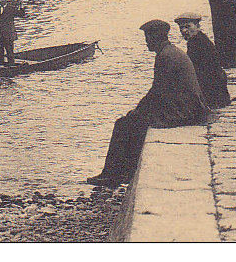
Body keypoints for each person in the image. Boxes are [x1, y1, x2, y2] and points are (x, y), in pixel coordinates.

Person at [87, 20, 210, 188]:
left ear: (155, 38)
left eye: (148, 37)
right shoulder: (170, 52)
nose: (146, 41)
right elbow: (160, 92)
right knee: (134, 121)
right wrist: (140, 110)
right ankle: (125, 172)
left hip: (184, 112)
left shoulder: (166, 56)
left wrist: (138, 111)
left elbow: (158, 92)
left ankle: (111, 175)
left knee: (124, 124)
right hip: (187, 108)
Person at [175, 12, 230, 109]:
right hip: (216, 88)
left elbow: (195, 71)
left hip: (211, 90)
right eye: (181, 28)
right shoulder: (200, 39)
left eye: (188, 26)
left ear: (197, 26)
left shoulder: (196, 43)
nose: (184, 31)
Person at [0, 0, 26, 66]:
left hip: (8, 35)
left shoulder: (11, 9)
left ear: (6, 0)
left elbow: (21, 15)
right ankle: (0, 66)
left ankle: (11, 67)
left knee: (10, 52)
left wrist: (21, 6)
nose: (1, 1)